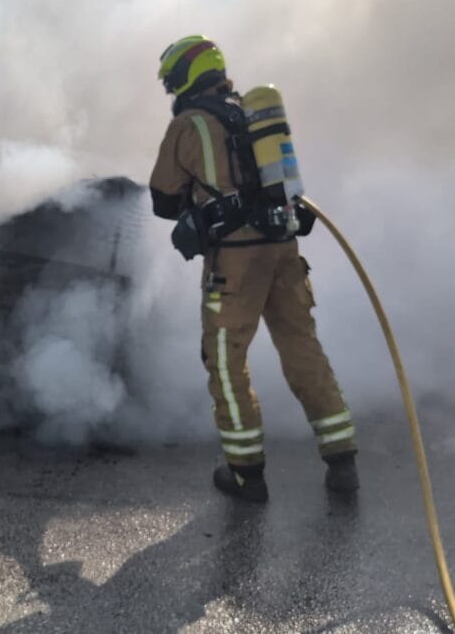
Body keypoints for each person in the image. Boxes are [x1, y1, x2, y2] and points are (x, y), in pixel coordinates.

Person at [148, 36, 357, 503]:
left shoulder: (190, 124)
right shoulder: (254, 114)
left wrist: (200, 197)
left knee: (225, 361)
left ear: (185, 76)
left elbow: (163, 199)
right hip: (283, 249)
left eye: (171, 83)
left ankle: (246, 474)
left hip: (236, 262)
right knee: (302, 346)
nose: (170, 93)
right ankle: (342, 458)